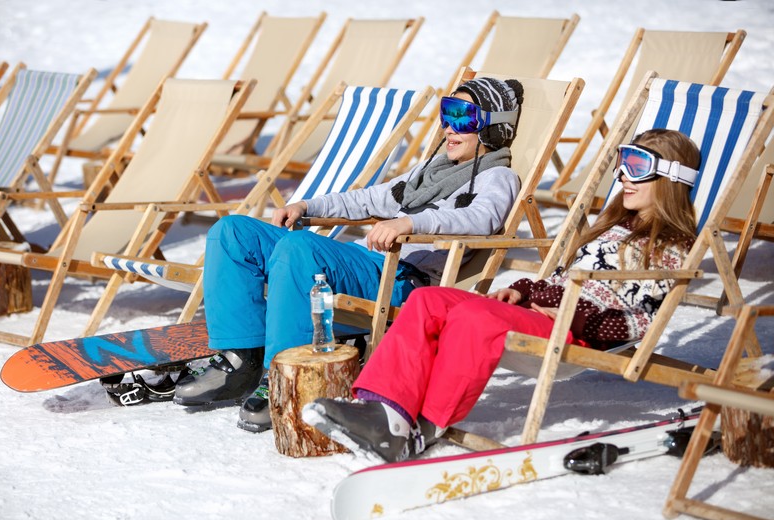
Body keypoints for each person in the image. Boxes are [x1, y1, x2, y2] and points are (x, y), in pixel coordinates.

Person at [303, 128, 701, 463]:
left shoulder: (671, 246)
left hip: (574, 331)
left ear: (671, 179)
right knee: (429, 300)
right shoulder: (613, 226)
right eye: (622, 164)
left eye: (637, 167)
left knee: (474, 319)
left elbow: (639, 322)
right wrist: (523, 290)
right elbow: (562, 280)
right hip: (546, 314)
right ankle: (386, 409)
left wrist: (570, 312)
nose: (624, 177)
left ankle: (425, 425)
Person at [173, 78, 525, 433]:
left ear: (494, 129)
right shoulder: (429, 172)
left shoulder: (498, 177)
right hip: (368, 262)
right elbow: (368, 198)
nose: (449, 127)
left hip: (403, 279)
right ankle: (240, 358)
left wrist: (409, 222)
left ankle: (285, 375)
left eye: (463, 118)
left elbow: (479, 219)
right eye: (446, 114)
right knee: (233, 231)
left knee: (300, 248)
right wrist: (308, 204)